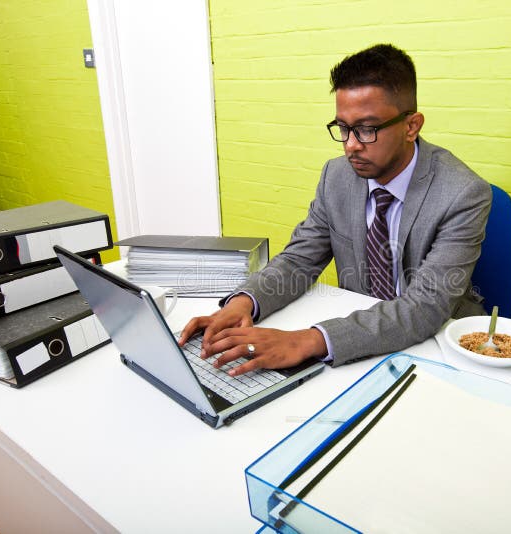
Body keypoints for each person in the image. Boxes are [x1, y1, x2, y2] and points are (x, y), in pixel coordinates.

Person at [178, 43, 492, 376]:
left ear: (411, 126)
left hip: (436, 345)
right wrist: (244, 303)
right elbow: (299, 260)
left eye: (368, 129)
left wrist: (307, 341)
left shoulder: (463, 193)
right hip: (357, 339)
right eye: (343, 127)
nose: (351, 144)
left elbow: (425, 308)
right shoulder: (337, 176)